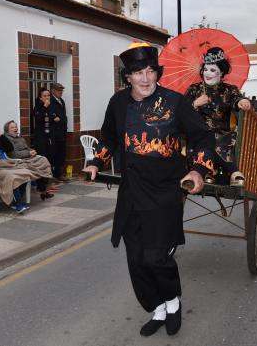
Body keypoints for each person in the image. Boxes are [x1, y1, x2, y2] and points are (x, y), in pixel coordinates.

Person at [83, 42, 219, 337]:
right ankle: (156, 307)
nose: (145, 79)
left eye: (150, 72)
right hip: (132, 190)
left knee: (155, 257)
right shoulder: (118, 103)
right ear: (127, 77)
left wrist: (197, 169)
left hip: (165, 190)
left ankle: (172, 301)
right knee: (135, 259)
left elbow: (204, 137)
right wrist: (97, 161)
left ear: (157, 73)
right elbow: (109, 137)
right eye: (137, 73)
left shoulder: (175, 102)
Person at [184, 46, 250, 185]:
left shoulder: (230, 90)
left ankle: (209, 172)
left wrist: (242, 102)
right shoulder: (194, 89)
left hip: (223, 135)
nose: (207, 73)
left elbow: (236, 99)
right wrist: (195, 103)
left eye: (213, 70)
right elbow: (181, 112)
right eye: (205, 69)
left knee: (221, 139)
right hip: (198, 134)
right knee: (204, 140)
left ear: (222, 73)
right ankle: (233, 171)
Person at [0, 120, 55, 201]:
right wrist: (28, 153)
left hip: (28, 157)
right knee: (39, 166)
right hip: (19, 160)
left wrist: (32, 151)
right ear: (7, 130)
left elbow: (27, 148)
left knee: (44, 160)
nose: (15, 128)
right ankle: (42, 189)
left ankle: (43, 188)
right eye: (12, 127)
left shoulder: (19, 137)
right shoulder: (7, 139)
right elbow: (13, 154)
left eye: (15, 127)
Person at [50, 83, 68, 181]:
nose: (61, 92)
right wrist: (54, 118)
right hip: (55, 132)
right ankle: (55, 175)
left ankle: (59, 174)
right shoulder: (51, 101)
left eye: (61, 91)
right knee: (55, 154)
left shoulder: (61, 101)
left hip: (62, 131)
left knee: (62, 153)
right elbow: (50, 116)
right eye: (58, 90)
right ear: (53, 91)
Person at [32, 88, 54, 164]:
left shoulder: (51, 107)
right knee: (42, 158)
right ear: (40, 98)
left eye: (48, 95)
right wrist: (44, 107)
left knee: (50, 158)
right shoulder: (37, 107)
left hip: (50, 137)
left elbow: (52, 118)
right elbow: (39, 119)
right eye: (44, 96)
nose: (47, 97)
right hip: (40, 138)